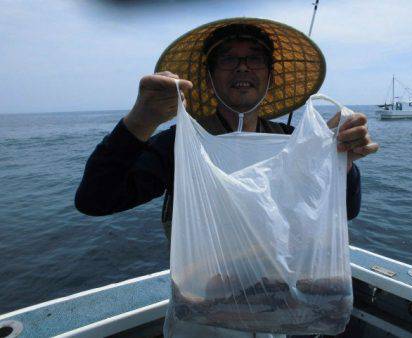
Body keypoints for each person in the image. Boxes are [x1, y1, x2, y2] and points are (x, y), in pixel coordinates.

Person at [75, 18, 378, 338]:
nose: (242, 68)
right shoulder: (180, 145)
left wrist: (342, 165)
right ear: (208, 76)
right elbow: (95, 199)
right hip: (200, 319)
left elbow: (345, 211)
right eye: (228, 59)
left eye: (255, 58)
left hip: (277, 316)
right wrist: (141, 119)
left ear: (270, 75)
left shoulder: (295, 143)